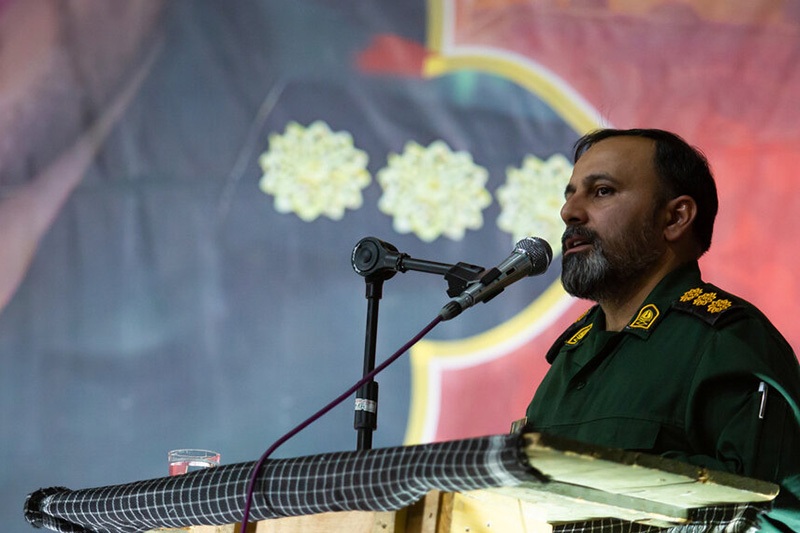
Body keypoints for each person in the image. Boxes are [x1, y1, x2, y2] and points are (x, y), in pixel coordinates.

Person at [523, 128, 800, 531]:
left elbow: (776, 514)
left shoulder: (726, 341)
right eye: (570, 194)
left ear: (675, 217)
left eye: (602, 191)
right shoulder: (572, 354)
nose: (570, 212)